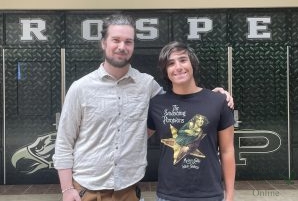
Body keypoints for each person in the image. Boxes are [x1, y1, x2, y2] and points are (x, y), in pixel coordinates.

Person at [53, 14, 234, 201]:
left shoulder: (147, 85)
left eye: (128, 42)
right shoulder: (80, 88)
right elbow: (64, 142)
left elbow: (182, 99)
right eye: (116, 40)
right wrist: (67, 189)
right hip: (87, 190)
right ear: (103, 43)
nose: (122, 47)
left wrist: (216, 95)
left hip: (128, 190)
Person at [147, 41, 235, 201]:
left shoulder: (219, 101)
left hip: (210, 195)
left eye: (183, 60)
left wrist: (229, 196)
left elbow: (227, 151)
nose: (178, 67)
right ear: (165, 71)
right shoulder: (156, 104)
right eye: (171, 63)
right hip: (168, 196)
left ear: (192, 63)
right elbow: (135, 138)